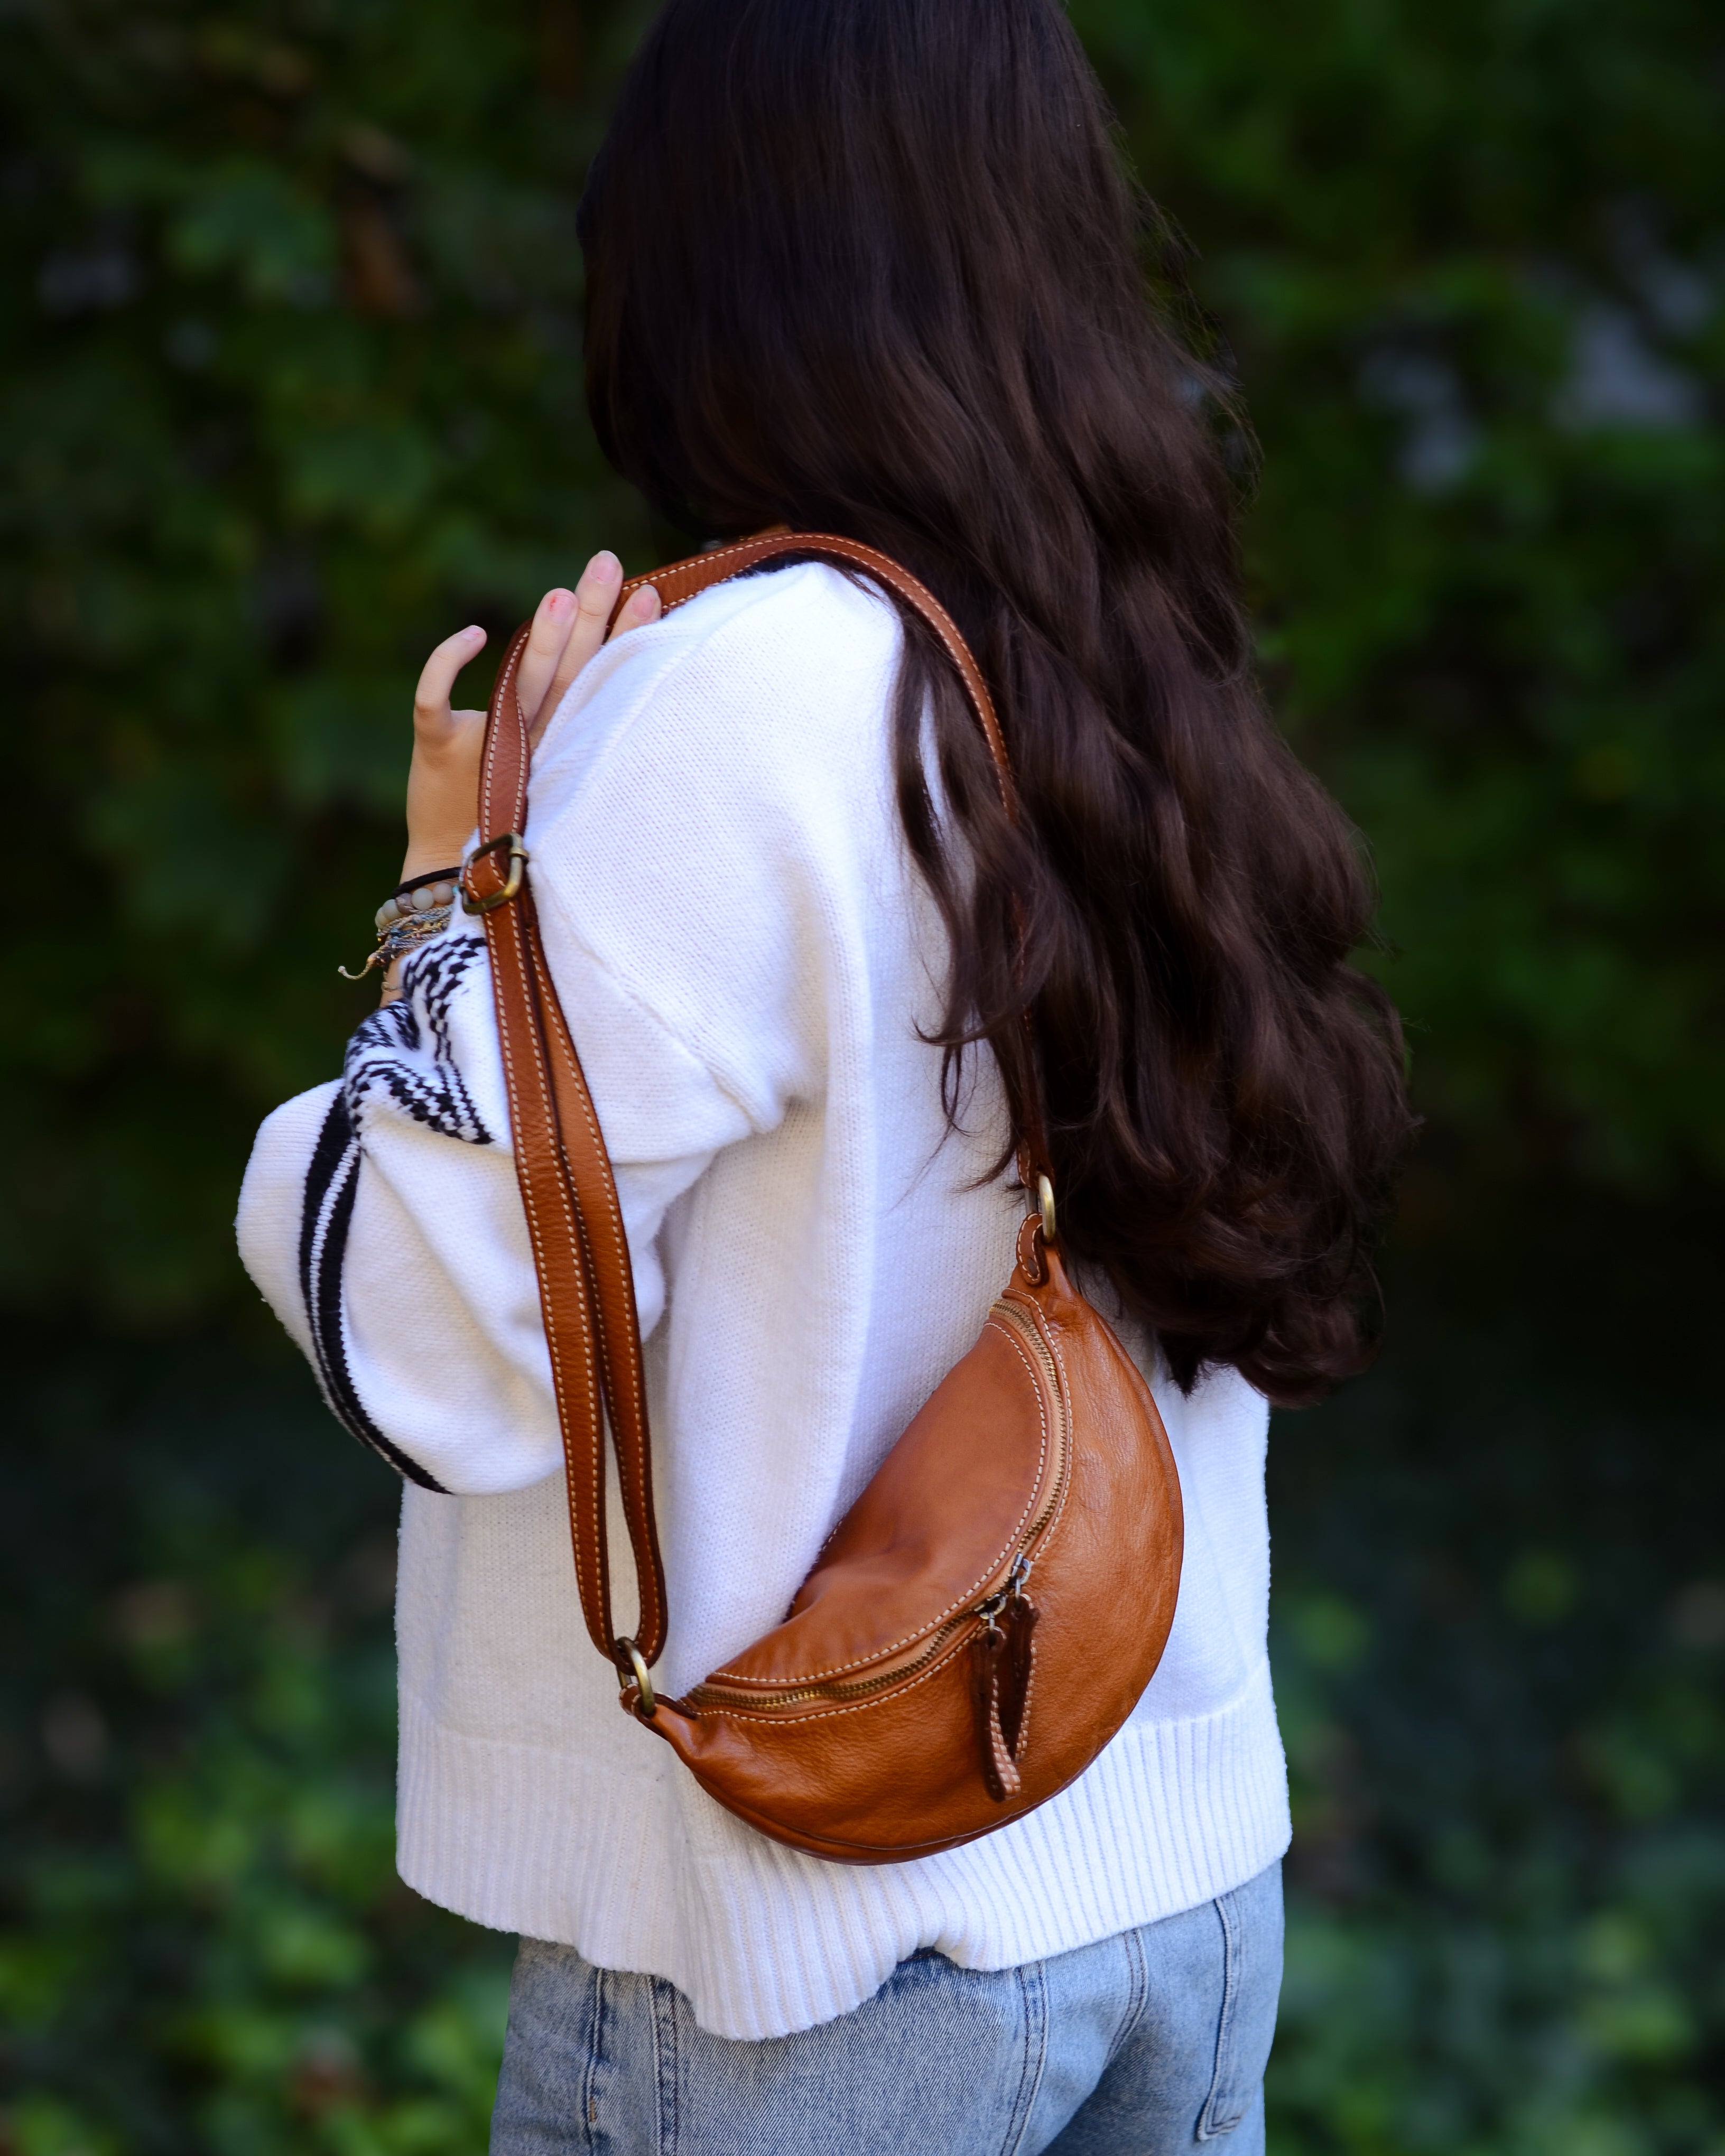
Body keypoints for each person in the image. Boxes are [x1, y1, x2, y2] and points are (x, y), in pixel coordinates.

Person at [237, 0, 1411, 2147]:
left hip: (819, 1958)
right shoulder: (1119, 649)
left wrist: (446, 898)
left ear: (704, 264)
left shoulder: (734, 700)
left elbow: (431, 1335)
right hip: (1177, 1882)